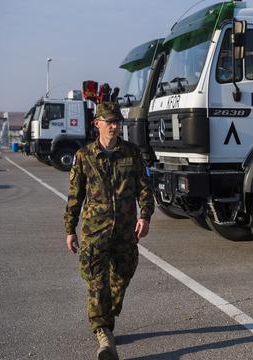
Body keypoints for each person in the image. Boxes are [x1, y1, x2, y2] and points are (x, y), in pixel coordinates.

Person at [63, 102, 154, 360]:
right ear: (97, 124)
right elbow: (74, 196)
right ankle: (102, 333)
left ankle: (107, 318)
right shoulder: (84, 156)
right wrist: (70, 229)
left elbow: (145, 188)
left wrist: (145, 216)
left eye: (117, 122)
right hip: (94, 233)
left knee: (122, 276)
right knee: (97, 282)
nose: (114, 126)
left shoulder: (132, 153)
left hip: (125, 233)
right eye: (109, 121)